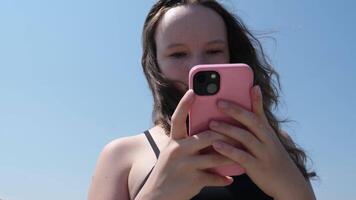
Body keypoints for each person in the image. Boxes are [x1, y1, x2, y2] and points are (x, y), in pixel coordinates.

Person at [88, 0, 317, 199]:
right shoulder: (121, 155)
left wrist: (294, 190)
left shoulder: (274, 143)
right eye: (178, 54)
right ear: (155, 65)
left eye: (214, 50)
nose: (199, 65)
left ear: (231, 56)